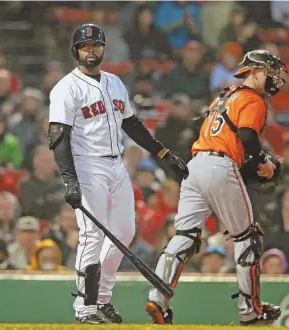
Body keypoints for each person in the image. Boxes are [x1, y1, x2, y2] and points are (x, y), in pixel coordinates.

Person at [48, 23, 188, 324]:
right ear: (76, 51)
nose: (91, 51)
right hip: (87, 165)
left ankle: (102, 298)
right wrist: (70, 179)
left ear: (103, 49)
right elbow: (59, 137)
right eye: (85, 47)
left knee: (124, 232)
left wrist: (162, 153)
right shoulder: (65, 88)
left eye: (96, 46)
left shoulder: (114, 82)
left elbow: (132, 124)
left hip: (116, 165)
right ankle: (84, 309)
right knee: (91, 236)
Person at [145, 49, 287, 325]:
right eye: (270, 73)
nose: (275, 79)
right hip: (220, 166)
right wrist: (262, 162)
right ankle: (250, 310)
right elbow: (246, 135)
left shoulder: (224, 95)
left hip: (195, 165)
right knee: (248, 237)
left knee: (184, 236)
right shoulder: (252, 98)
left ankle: (157, 298)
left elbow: (206, 128)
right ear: (254, 72)